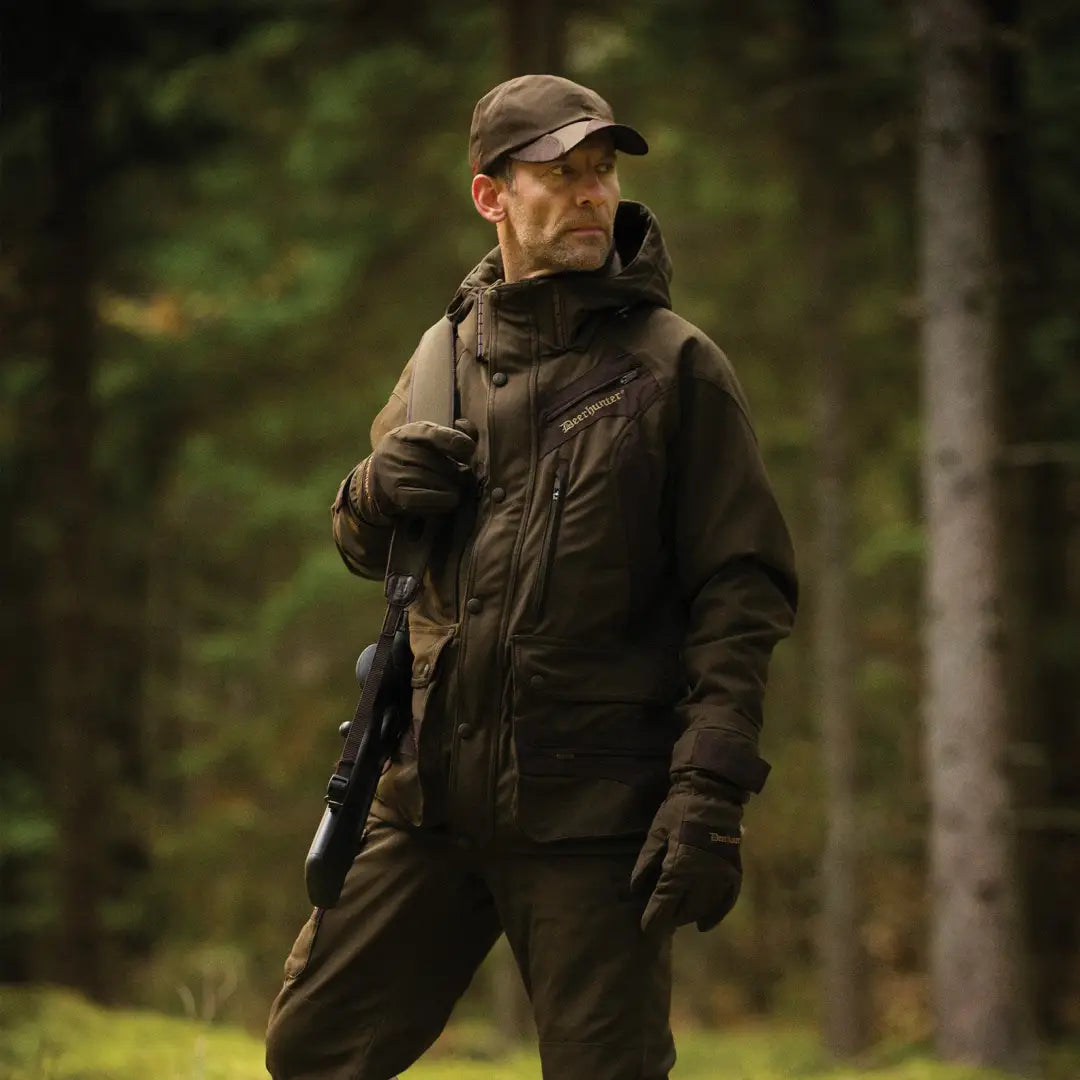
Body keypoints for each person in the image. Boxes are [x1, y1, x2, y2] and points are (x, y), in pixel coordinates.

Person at [265, 73, 797, 1080]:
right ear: (491, 195)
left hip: (592, 817)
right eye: (562, 174)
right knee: (312, 1053)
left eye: (601, 173)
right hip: (426, 801)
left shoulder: (675, 369)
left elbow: (743, 592)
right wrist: (375, 491)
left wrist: (710, 791)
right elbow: (366, 543)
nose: (593, 194)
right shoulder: (443, 356)